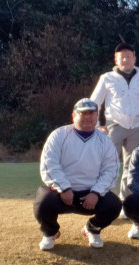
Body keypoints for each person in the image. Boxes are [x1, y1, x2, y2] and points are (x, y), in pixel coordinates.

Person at [33, 98, 122, 251]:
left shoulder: (105, 141)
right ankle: (51, 232)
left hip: (90, 194)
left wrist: (96, 193)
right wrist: (64, 188)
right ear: (73, 116)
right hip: (62, 193)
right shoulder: (59, 135)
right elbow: (49, 164)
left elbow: (111, 170)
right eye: (83, 113)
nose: (87, 117)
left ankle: (92, 229)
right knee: (43, 202)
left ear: (97, 116)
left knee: (114, 205)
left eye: (91, 113)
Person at [90, 43, 139, 211]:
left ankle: (126, 203)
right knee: (109, 165)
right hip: (114, 126)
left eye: (128, 56)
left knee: (131, 166)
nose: (125, 59)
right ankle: (103, 202)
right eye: (121, 57)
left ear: (134, 58)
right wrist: (97, 126)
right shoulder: (107, 78)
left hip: (137, 128)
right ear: (116, 59)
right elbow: (95, 102)